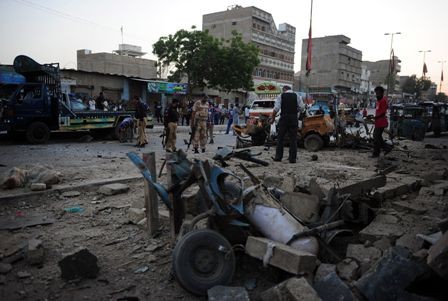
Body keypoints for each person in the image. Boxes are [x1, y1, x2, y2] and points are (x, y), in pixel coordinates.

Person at [272, 86, 303, 163]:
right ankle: (292, 159)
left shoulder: (281, 96)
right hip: (293, 118)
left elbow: (276, 108)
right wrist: (295, 110)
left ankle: (278, 157)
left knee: (280, 138)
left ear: (284, 90)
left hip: (284, 118)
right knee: (293, 139)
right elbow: (302, 108)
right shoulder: (297, 96)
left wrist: (272, 118)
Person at [372, 86, 392, 158]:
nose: (377, 95)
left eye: (378, 93)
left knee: (376, 138)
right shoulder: (378, 101)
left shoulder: (383, 101)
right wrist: (373, 117)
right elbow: (378, 111)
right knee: (377, 137)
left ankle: (380, 151)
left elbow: (383, 112)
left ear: (382, 93)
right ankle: (384, 149)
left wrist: (376, 117)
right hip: (378, 122)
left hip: (381, 122)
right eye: (376, 93)